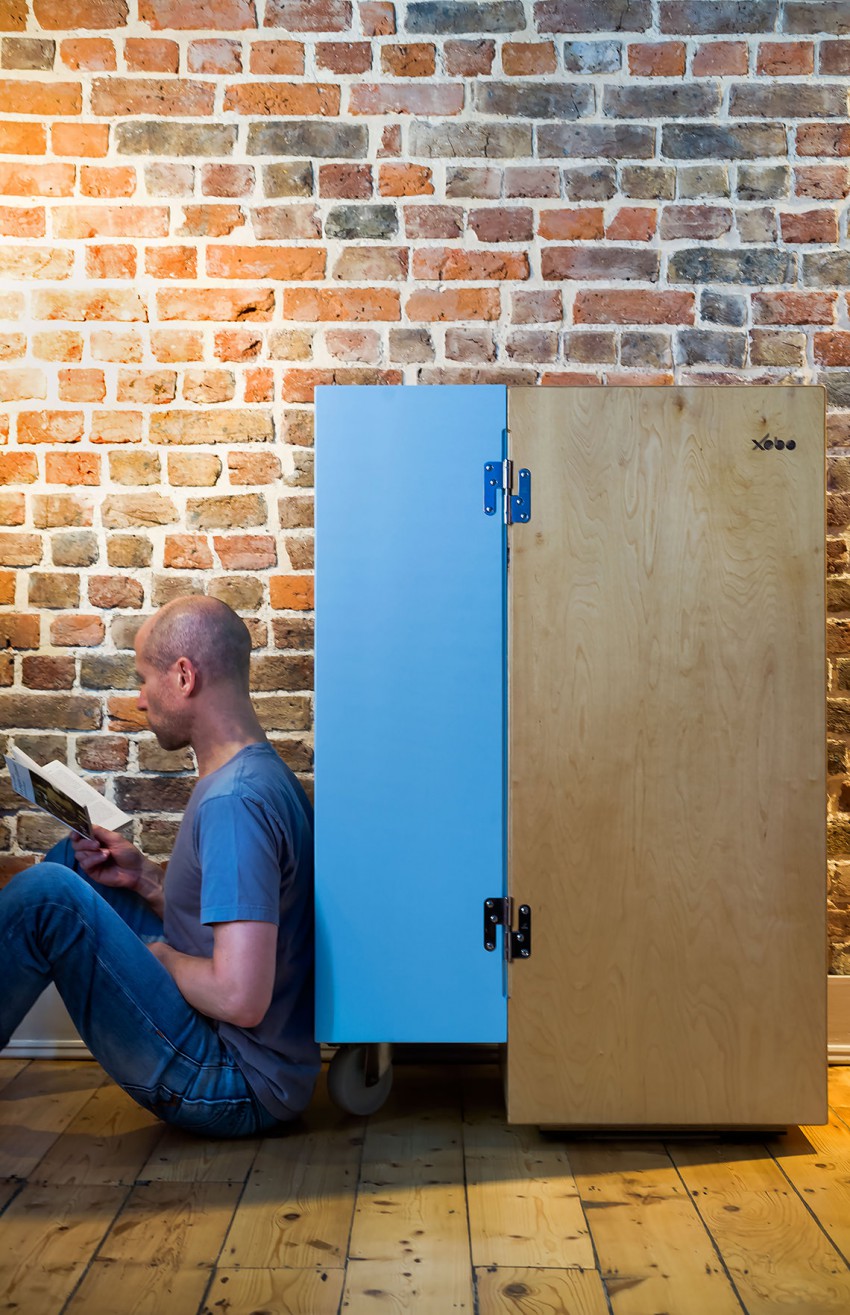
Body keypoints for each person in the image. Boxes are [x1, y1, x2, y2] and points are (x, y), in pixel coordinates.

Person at [0, 597, 320, 1137]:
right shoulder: (257, 774)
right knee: (72, 866)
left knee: (48, 897)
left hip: (234, 1080)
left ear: (184, 677)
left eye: (144, 679)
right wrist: (145, 881)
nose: (140, 699)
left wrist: (161, 957)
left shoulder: (234, 803)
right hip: (241, 1054)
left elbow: (239, 998)